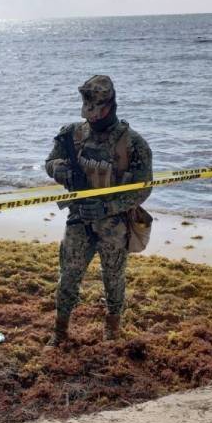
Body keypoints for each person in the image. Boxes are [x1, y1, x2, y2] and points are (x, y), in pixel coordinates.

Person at [44, 75, 152, 346]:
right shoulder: (72, 134)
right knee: (68, 275)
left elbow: (143, 189)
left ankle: (112, 331)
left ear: (110, 106)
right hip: (79, 219)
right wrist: (59, 170)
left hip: (114, 224)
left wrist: (109, 205)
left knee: (113, 278)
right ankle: (59, 333)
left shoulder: (133, 144)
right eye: (88, 110)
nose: (92, 116)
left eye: (98, 110)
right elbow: (50, 161)